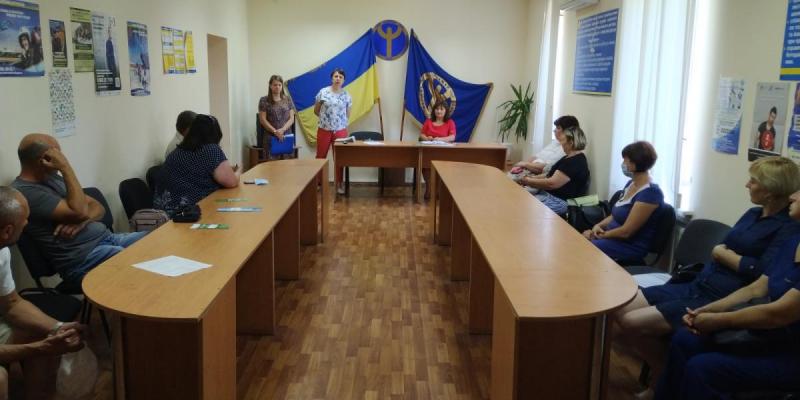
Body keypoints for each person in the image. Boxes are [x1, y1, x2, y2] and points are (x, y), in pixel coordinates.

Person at [614, 156, 800, 394]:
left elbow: (755, 270)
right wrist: (728, 257)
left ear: (771, 190)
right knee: (619, 309)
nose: (747, 184)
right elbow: (739, 259)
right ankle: (665, 379)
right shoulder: (753, 214)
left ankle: (661, 379)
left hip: (719, 294)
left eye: (753, 181)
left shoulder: (788, 229)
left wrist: (723, 255)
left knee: (633, 323)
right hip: (698, 283)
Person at [654, 189, 800, 399]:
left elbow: (779, 313)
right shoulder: (793, 242)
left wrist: (718, 320)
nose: (792, 196)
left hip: (789, 353)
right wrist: (706, 310)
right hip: (769, 336)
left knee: (702, 369)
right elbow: (757, 288)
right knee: (685, 339)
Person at [12, 134, 147, 284]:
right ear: (44, 160)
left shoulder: (52, 178)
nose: (62, 158)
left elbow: (97, 207)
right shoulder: (25, 192)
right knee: (133, 260)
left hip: (109, 239)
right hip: (82, 260)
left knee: (155, 240)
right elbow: (80, 211)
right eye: (58, 155)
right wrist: (65, 167)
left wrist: (83, 222)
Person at [0, 186, 85, 400]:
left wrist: (58, 328)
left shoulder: (2, 251)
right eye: (25, 220)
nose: (27, 224)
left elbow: (12, 304)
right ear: (7, 231)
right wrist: (40, 348)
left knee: (44, 332)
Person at [583, 141, 663, 261]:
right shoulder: (631, 184)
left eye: (625, 160)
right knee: (580, 241)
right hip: (611, 238)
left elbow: (626, 232)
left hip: (628, 246)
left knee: (584, 248)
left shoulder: (651, 193)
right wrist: (597, 226)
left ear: (635, 164)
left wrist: (600, 236)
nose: (622, 164)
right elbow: (615, 215)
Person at [155, 114, 239, 216]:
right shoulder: (210, 150)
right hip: (186, 213)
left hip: (164, 213)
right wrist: (238, 172)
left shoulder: (177, 151)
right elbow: (231, 182)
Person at [518, 126, 590, 215]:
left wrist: (528, 181)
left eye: (563, 141)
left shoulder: (575, 162)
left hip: (559, 201)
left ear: (571, 142)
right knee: (518, 197)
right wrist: (529, 178)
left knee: (521, 206)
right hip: (548, 195)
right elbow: (548, 175)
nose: (561, 144)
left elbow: (551, 183)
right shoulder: (567, 157)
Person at [314, 68, 351, 194]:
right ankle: (318, 183)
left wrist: (339, 123)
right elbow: (316, 111)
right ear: (331, 78)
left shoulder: (346, 95)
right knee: (320, 156)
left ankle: (339, 184)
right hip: (324, 129)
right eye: (336, 76)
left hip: (340, 131)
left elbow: (348, 114)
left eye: (340, 77)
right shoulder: (323, 92)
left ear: (343, 80)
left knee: (340, 158)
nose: (338, 79)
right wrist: (327, 120)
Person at [512, 115, 580, 176]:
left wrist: (525, 164)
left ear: (568, 131)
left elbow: (546, 168)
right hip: (528, 169)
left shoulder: (566, 149)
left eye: (558, 128)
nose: (554, 130)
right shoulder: (555, 142)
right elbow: (536, 156)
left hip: (537, 175)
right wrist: (521, 166)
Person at [420, 100, 456, 198]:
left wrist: (440, 139)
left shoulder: (450, 122)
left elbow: (452, 137)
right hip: (429, 151)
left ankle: (439, 190)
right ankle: (429, 188)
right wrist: (427, 138)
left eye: (441, 109)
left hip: (444, 153)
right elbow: (422, 135)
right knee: (425, 163)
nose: (439, 111)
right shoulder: (428, 121)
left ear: (445, 111)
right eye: (437, 109)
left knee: (443, 166)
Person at [258, 75, 296, 160]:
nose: (277, 87)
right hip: (271, 137)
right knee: (271, 166)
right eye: (275, 85)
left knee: (287, 165)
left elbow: (292, 119)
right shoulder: (264, 100)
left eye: (279, 85)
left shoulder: (288, 99)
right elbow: (262, 120)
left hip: (286, 136)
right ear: (270, 86)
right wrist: (275, 132)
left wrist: (282, 130)